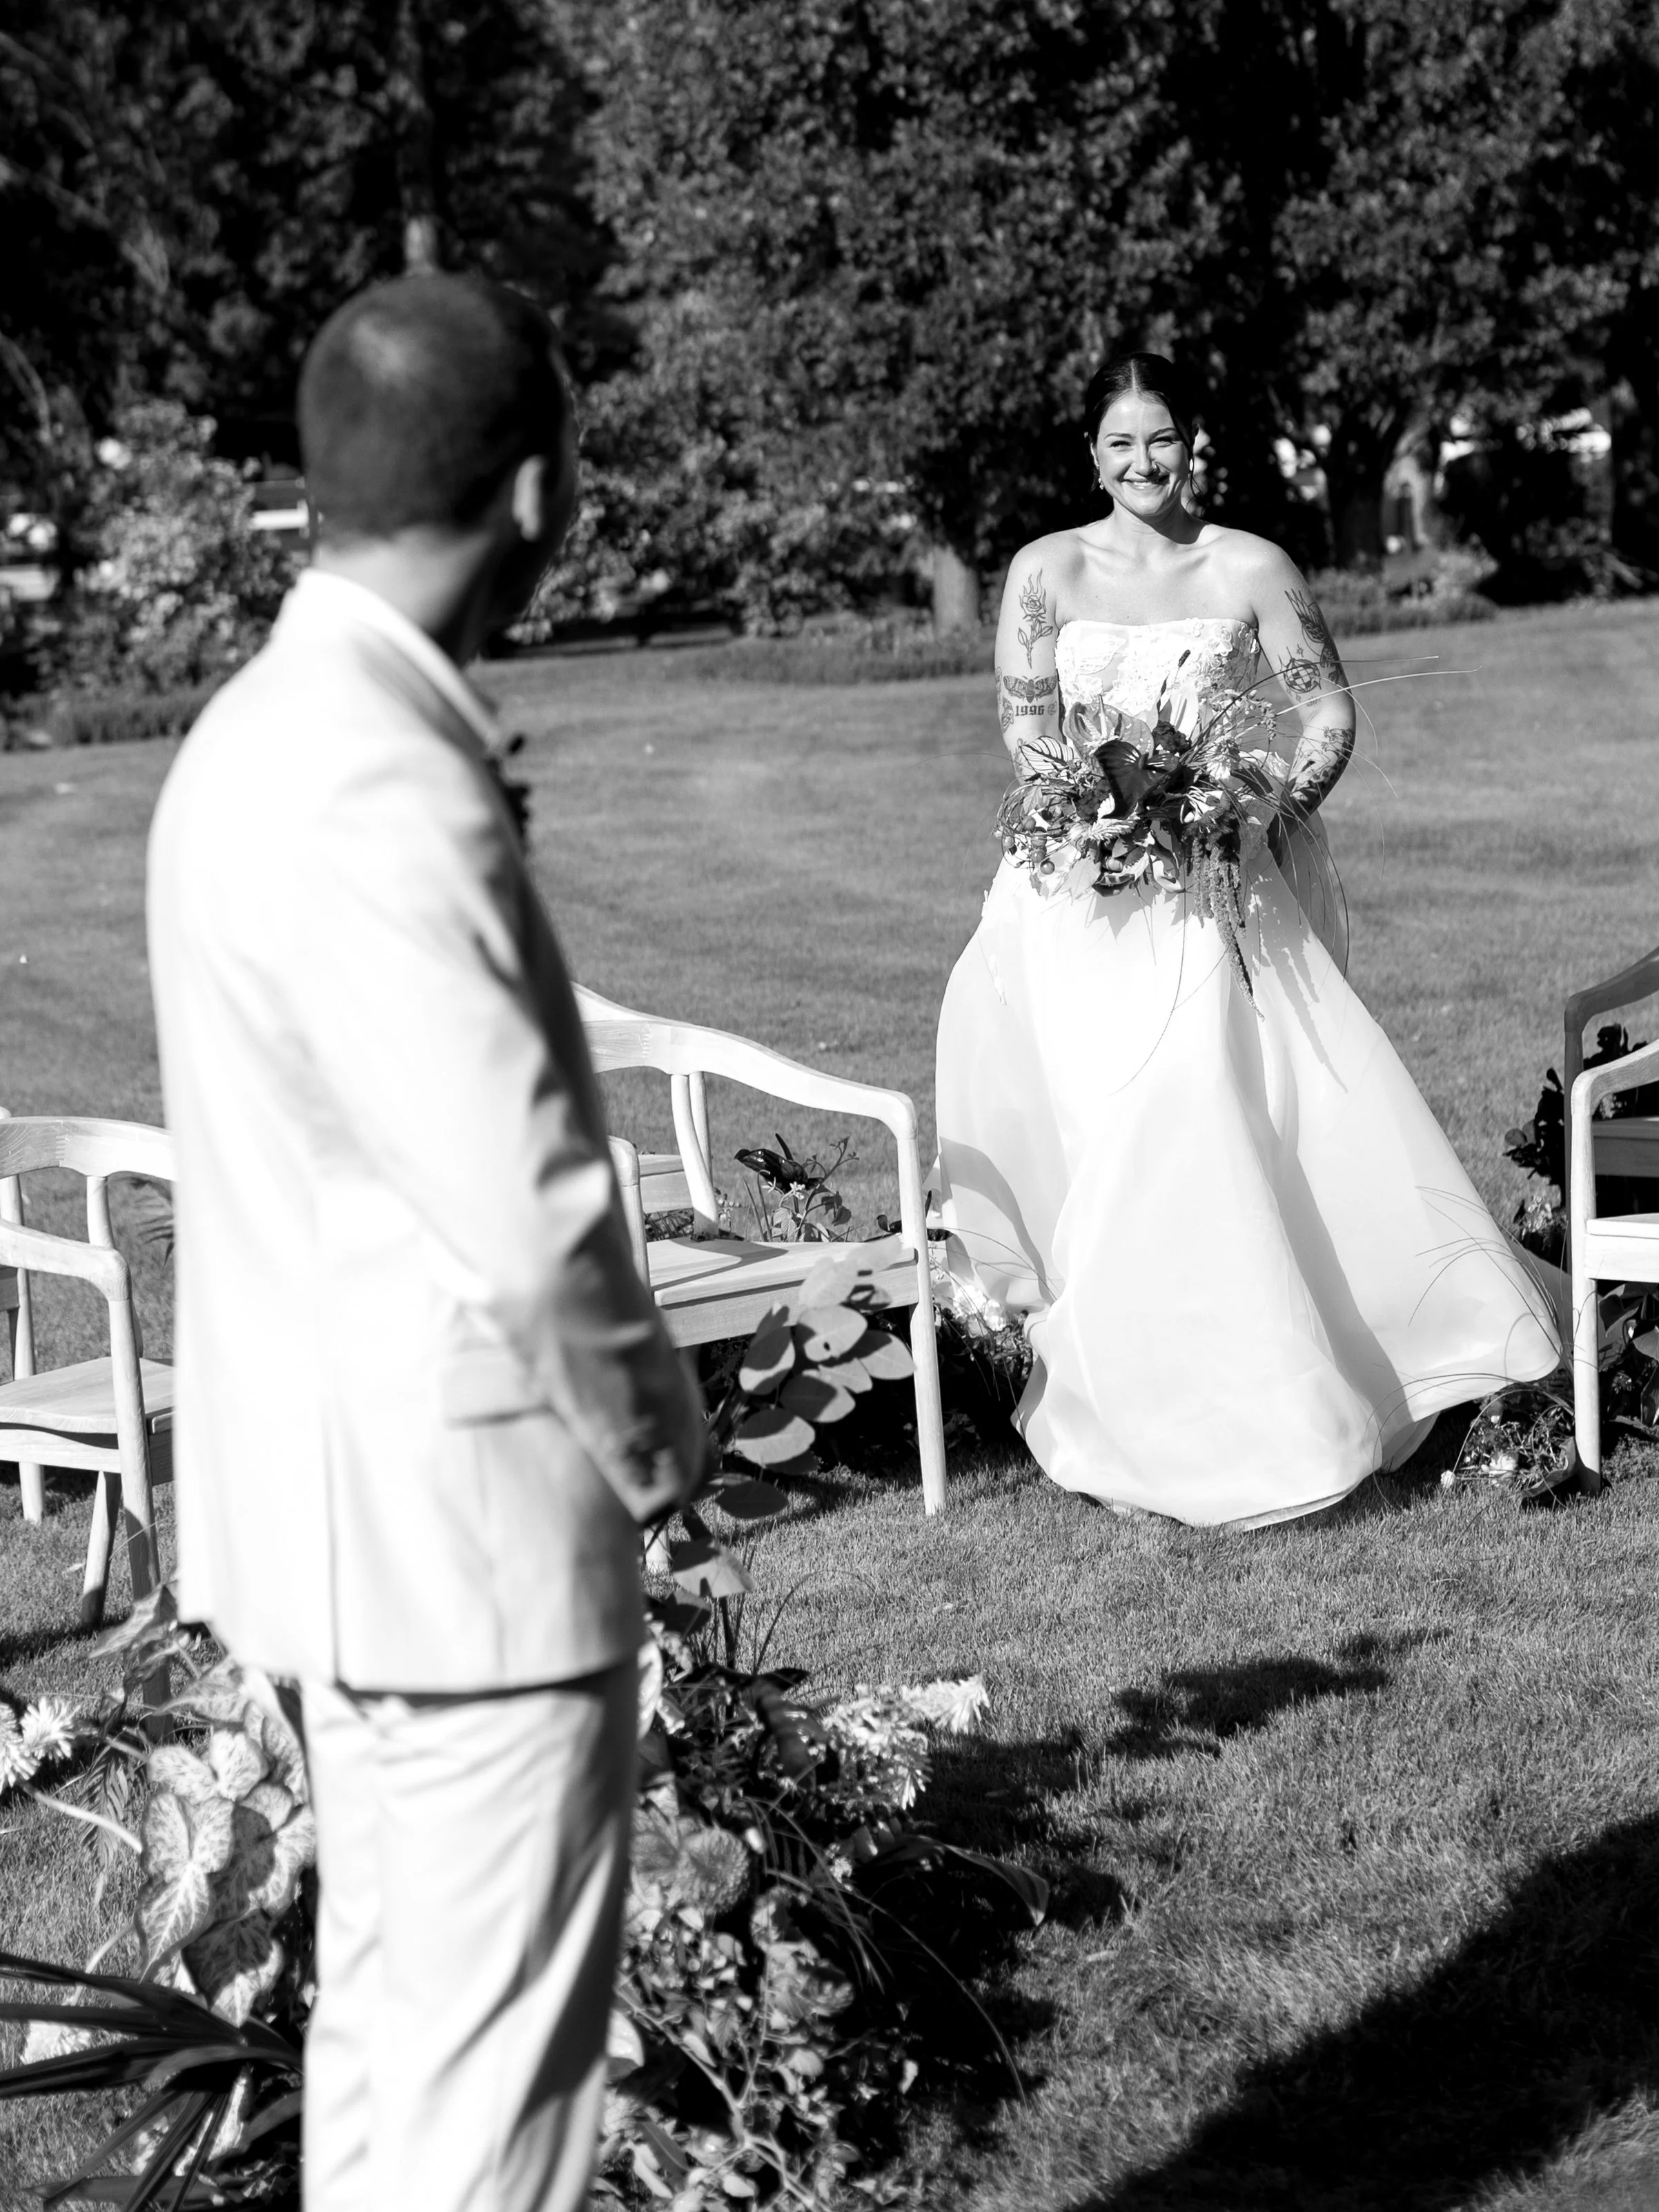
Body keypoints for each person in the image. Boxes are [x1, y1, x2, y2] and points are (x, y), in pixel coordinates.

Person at [148, 273, 707, 2211]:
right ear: (540, 494)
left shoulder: (257, 726)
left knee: (399, 2066)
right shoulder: (375, 764)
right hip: (451, 1537)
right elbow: (526, 1195)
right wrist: (658, 1432)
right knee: (486, 2114)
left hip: (342, 1519)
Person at [934, 352, 1557, 1525]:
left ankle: (1251, 1406)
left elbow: (1327, 709)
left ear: (1193, 442)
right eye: (1118, 445)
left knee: (1204, 1112)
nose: (1140, 464)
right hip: (1084, 897)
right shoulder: (1043, 573)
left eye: (1159, 440)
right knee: (1104, 1137)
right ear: (1092, 455)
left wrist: (1268, 806)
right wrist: (1098, 806)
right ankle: (1140, 1386)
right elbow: (1025, 732)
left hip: (1224, 892)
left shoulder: (1252, 566)